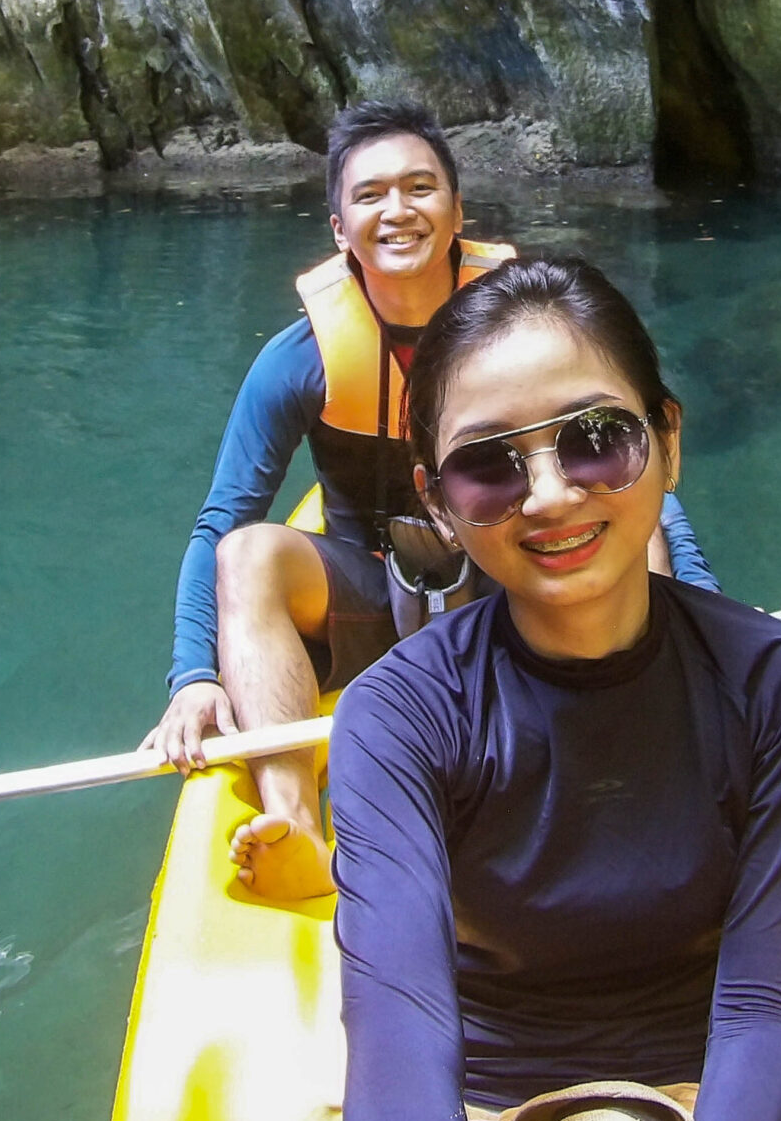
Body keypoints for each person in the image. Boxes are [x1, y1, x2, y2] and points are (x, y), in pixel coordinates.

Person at [226, 256, 781, 1121]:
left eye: (596, 440)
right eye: (491, 467)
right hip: (464, 1103)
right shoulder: (399, 713)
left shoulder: (773, 680)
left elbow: (758, 1003)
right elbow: (400, 1025)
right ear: (439, 502)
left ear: (668, 440)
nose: (553, 495)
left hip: (706, 1098)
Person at [146, 101, 716, 899]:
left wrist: (703, 606)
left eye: (421, 188)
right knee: (249, 554)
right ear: (341, 228)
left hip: (514, 579)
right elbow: (222, 522)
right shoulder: (299, 360)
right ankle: (299, 825)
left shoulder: (531, 336)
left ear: (457, 213)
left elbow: (629, 474)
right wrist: (193, 675)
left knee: (621, 518)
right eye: (371, 194)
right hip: (376, 592)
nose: (398, 210)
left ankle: (660, 759)